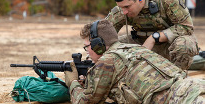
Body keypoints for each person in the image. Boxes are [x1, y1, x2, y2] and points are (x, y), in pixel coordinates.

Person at [64, 19, 205, 104]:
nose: (86, 51)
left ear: (98, 44)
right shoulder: (135, 48)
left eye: (87, 46)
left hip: (179, 99)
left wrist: (73, 82)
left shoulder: (107, 61)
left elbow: (85, 102)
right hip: (193, 86)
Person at [105, 0, 199, 70]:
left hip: (169, 46)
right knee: (108, 46)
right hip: (141, 44)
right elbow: (104, 31)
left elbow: (186, 27)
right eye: (121, 7)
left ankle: (177, 78)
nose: (124, 12)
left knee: (184, 46)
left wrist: (154, 37)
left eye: (127, 7)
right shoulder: (122, 9)